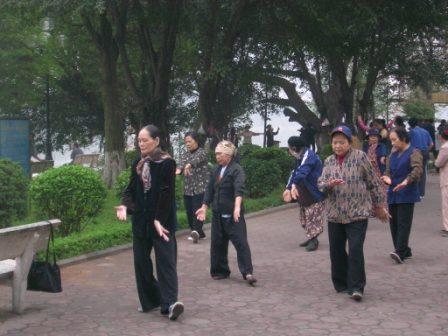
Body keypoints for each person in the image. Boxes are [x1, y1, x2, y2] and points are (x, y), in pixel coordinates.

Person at [116, 125, 184, 321]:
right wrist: (125, 206)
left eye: (145, 140)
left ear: (156, 141)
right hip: (141, 221)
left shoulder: (166, 163)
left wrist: (158, 218)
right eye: (139, 141)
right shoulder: (138, 162)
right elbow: (130, 190)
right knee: (141, 263)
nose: (141, 144)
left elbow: (166, 193)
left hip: (161, 222)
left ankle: (170, 304)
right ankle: (152, 298)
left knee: (166, 263)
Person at [318, 125, 389, 301]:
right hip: (335, 214)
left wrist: (379, 205)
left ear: (350, 143)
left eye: (342, 142)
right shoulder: (328, 161)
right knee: (336, 250)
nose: (338, 146)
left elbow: (374, 182)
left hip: (358, 213)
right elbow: (320, 184)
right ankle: (341, 283)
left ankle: (357, 287)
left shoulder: (361, 157)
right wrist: (328, 184)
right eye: (335, 143)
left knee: (356, 249)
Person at [196, 140, 257, 285]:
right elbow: (210, 189)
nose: (217, 156)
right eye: (216, 154)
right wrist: (204, 206)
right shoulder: (216, 169)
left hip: (232, 214)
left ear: (228, 155)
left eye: (219, 154)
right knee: (217, 243)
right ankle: (220, 271)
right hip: (218, 213)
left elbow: (239, 189)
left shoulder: (237, 169)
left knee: (240, 243)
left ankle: (247, 272)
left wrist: (237, 207)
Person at [381, 128, 423, 264]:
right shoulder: (392, 155)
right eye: (391, 140)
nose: (392, 143)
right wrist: (386, 178)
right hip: (393, 192)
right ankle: (404, 249)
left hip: (407, 193)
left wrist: (406, 181)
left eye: (394, 140)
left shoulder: (414, 152)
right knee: (394, 223)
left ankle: (400, 252)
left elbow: (417, 170)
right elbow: (387, 171)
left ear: (404, 138)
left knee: (403, 223)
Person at [283, 136, 325, 251]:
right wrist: (288, 188)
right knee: (305, 217)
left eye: (289, 148)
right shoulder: (299, 157)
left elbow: (303, 171)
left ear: (294, 147)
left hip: (314, 192)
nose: (289, 150)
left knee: (313, 217)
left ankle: (314, 240)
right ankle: (311, 236)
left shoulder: (309, 156)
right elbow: (294, 173)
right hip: (304, 193)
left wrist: (294, 185)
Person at [176, 131, 209, 243]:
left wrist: (189, 165)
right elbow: (180, 167)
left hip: (200, 188)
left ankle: (196, 231)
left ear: (196, 141)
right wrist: (176, 171)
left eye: (190, 141)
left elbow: (196, 160)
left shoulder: (202, 152)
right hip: (188, 189)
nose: (187, 144)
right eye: (186, 142)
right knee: (189, 212)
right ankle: (199, 232)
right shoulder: (185, 154)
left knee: (197, 210)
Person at [408, 118, 433, 197]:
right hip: (425, 152)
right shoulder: (425, 131)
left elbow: (407, 144)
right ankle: (421, 193)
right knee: (422, 173)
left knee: (413, 171)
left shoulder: (411, 132)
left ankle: (414, 192)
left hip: (415, 153)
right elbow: (431, 144)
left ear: (409, 124)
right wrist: (426, 150)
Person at [435, 125, 448, 236]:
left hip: (446, 178)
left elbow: (439, 163)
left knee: (446, 204)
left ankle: (447, 227)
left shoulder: (445, 147)